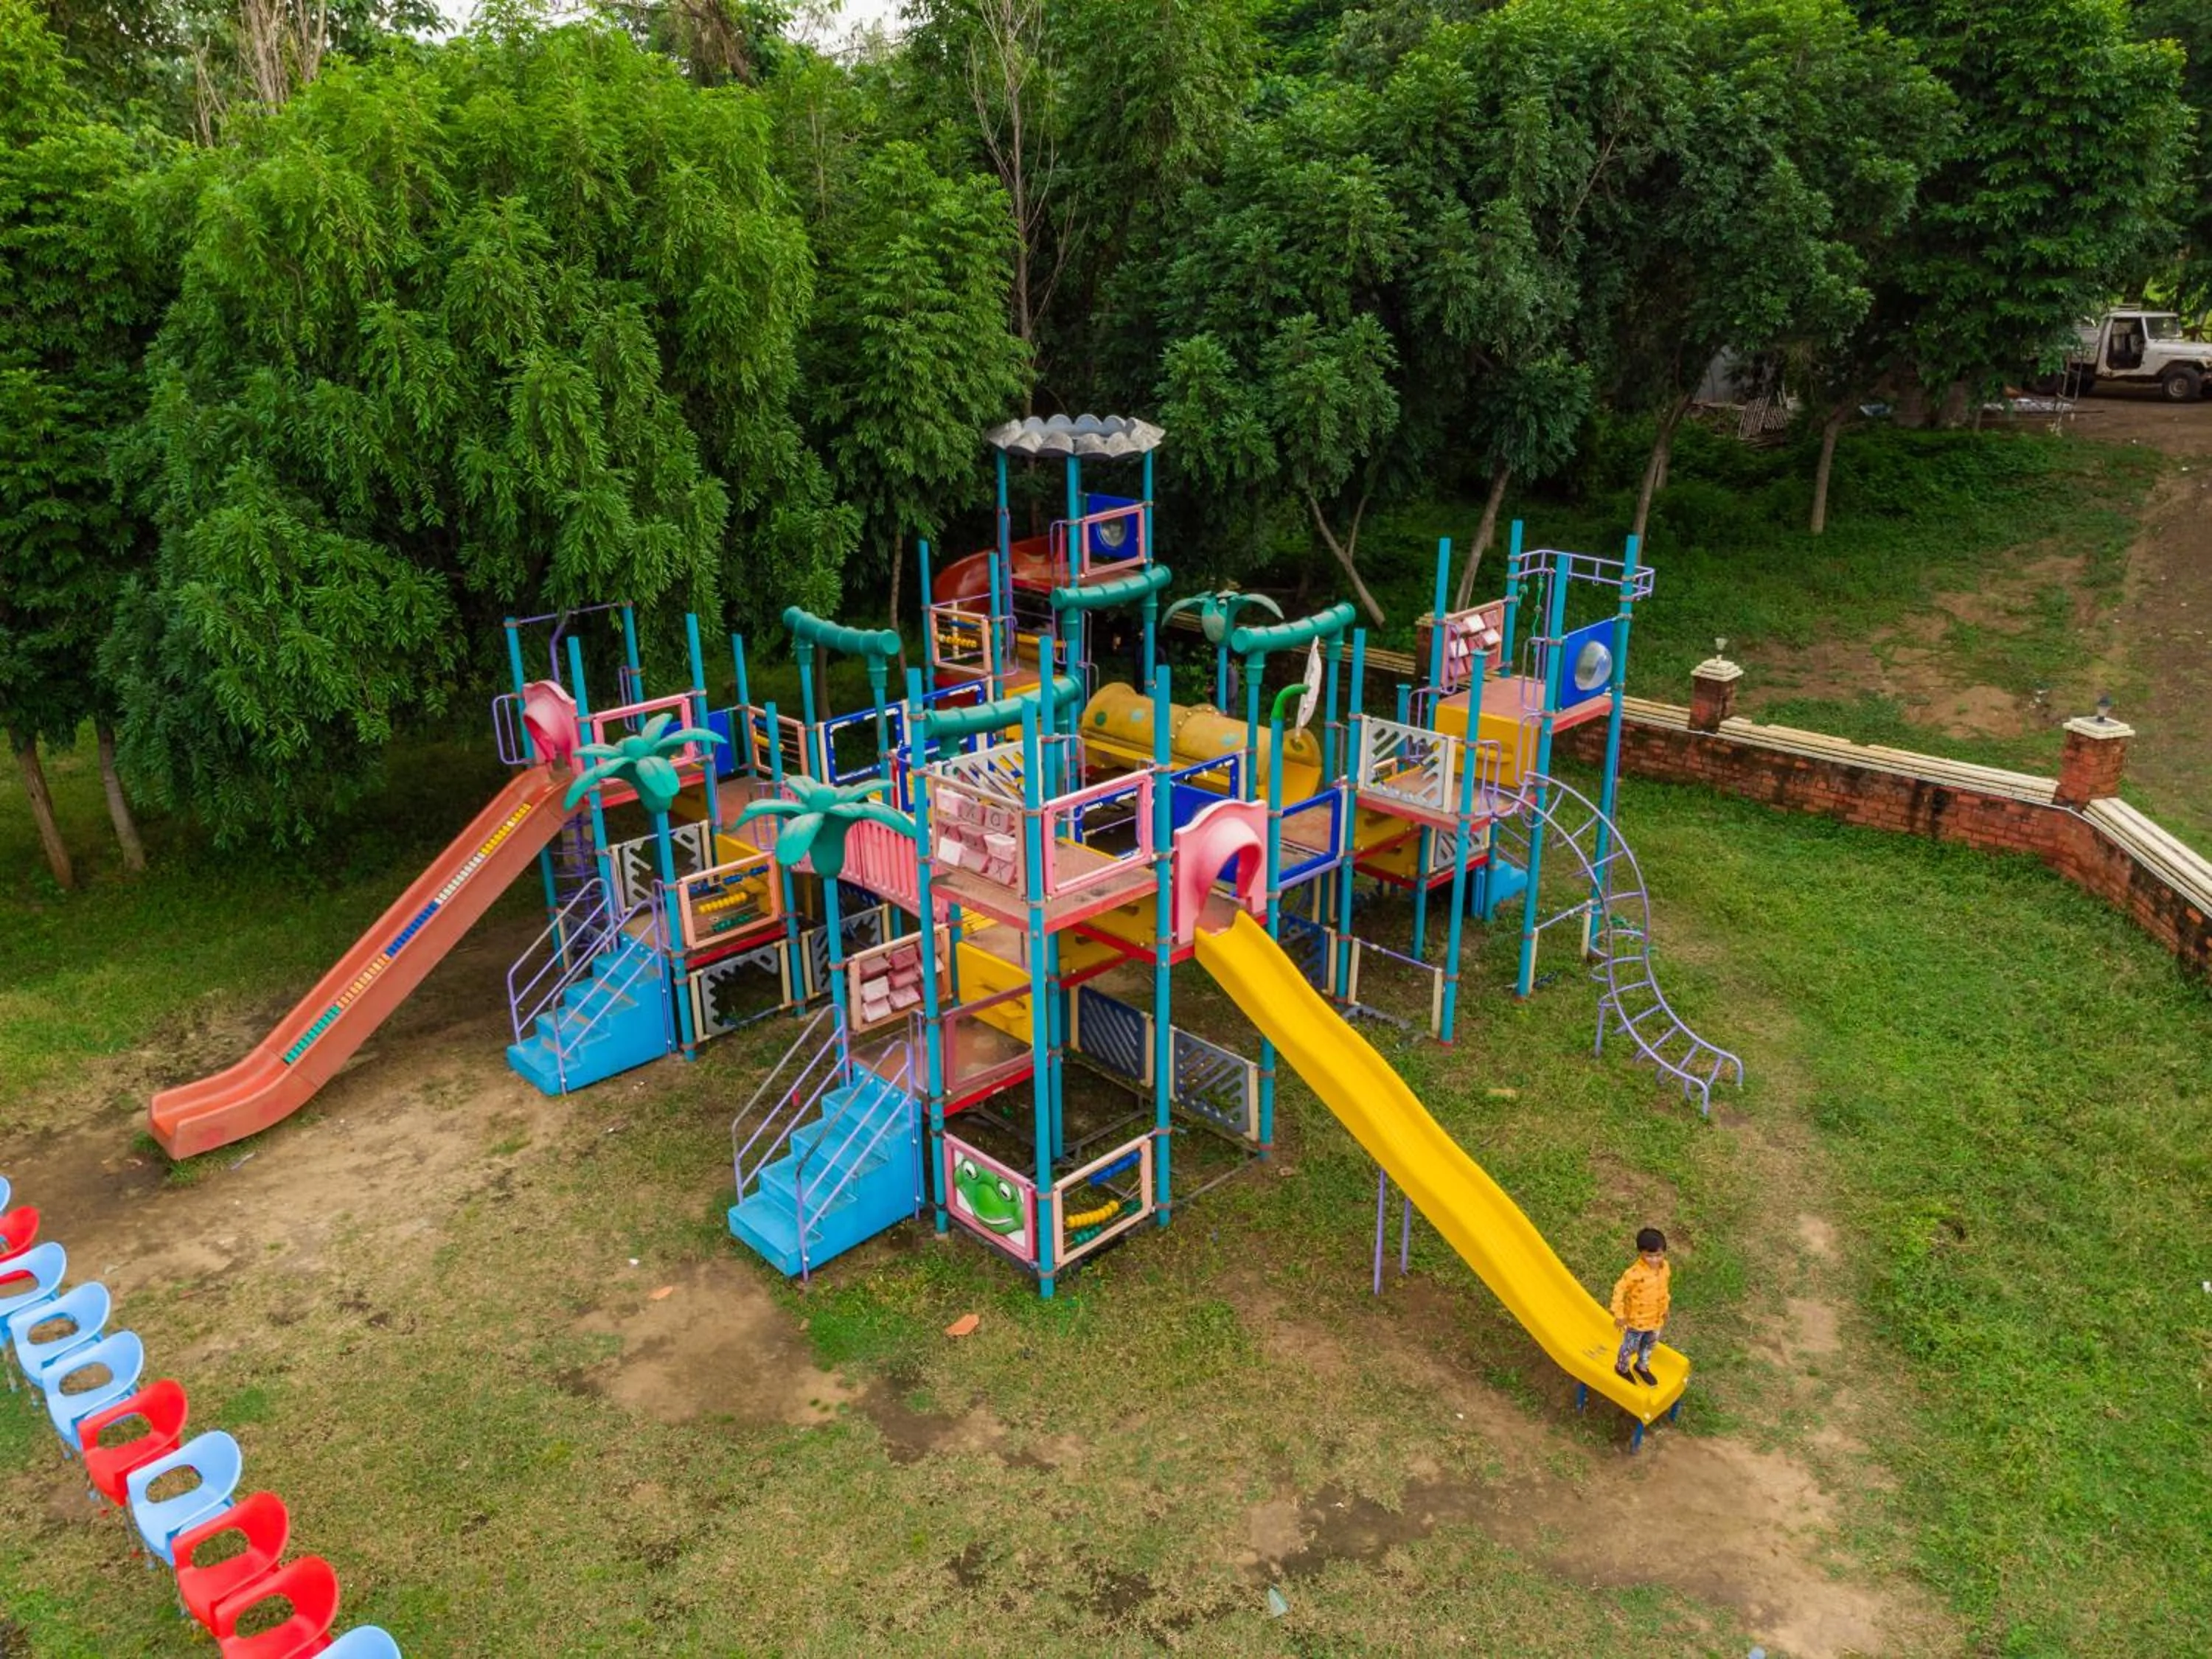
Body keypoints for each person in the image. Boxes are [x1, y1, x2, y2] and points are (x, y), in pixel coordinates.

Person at [1610, 1226, 1670, 1387]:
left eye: (1658, 1255)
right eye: (1649, 1256)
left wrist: (1665, 1309)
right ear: (1641, 1253)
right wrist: (1619, 1314)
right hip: (1637, 1321)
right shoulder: (1635, 1273)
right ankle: (1622, 1367)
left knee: (1649, 1345)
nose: (1655, 1260)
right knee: (1630, 1347)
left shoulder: (1664, 1268)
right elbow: (1619, 1289)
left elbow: (1664, 1291)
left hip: (1655, 1319)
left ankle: (1642, 1366)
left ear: (1664, 1252)